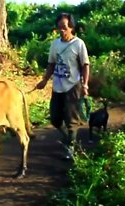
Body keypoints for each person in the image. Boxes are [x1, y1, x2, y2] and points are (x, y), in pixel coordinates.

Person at [36, 12, 90, 160]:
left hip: (73, 86)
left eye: (64, 27)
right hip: (57, 86)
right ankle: (68, 139)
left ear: (71, 27)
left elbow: (85, 65)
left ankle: (70, 148)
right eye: (59, 27)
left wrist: (85, 84)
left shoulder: (79, 44)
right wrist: (45, 80)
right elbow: (51, 64)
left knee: (71, 120)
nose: (61, 30)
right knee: (55, 119)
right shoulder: (55, 44)